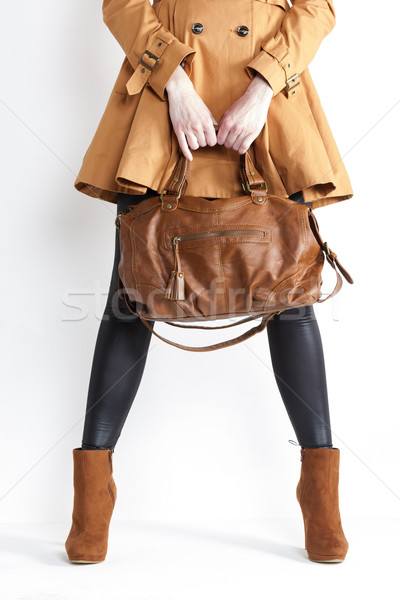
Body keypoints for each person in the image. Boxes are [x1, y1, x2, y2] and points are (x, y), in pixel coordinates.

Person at [65, 0, 350, 565]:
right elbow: (120, 4)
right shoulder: (169, 85)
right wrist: (174, 79)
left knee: (289, 298)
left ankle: (321, 499)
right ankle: (90, 503)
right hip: (164, 98)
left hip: (267, 108)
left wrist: (264, 85)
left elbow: (317, 9)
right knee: (131, 298)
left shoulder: (266, 92)